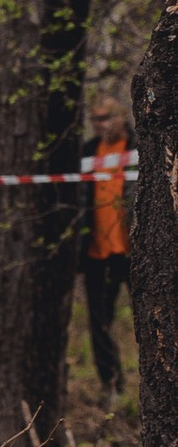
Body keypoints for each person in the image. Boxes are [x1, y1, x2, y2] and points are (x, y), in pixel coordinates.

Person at [84, 92, 133, 394]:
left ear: (121, 117)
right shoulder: (88, 152)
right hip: (97, 252)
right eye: (95, 119)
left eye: (106, 118)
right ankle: (113, 385)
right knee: (100, 323)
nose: (100, 125)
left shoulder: (139, 148)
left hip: (134, 251)